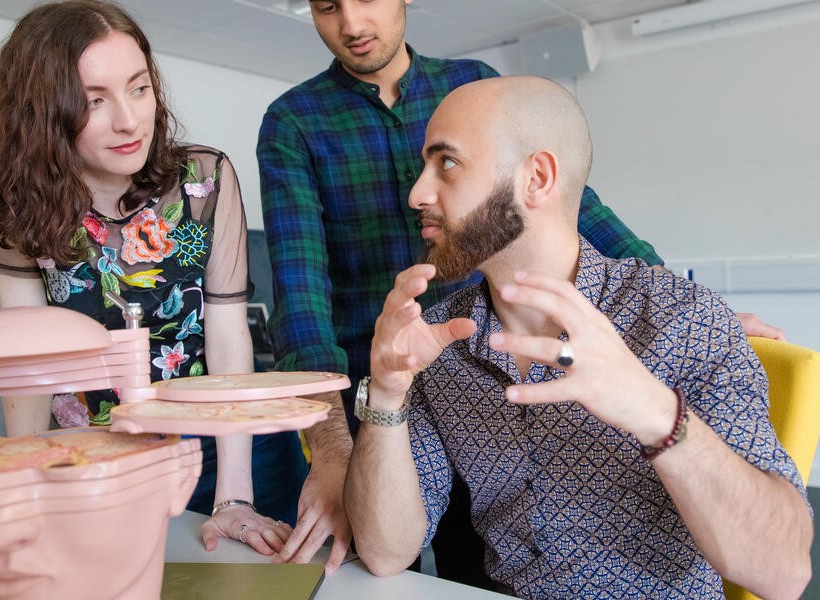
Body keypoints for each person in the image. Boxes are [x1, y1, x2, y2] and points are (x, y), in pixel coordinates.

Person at [259, 0, 784, 586]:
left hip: (516, 344)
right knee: (425, 571)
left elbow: (575, 207)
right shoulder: (295, 122)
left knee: (487, 548)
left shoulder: (474, 89)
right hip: (399, 381)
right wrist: (334, 446)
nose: (352, 24)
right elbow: (300, 294)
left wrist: (667, 305)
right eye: (328, 6)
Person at [0, 0, 345, 573]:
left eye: (139, 88)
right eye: (93, 100)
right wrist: (13, 492)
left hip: (228, 449)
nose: (130, 120)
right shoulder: (11, 200)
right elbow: (29, 359)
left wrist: (235, 497)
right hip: (95, 455)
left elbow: (228, 338)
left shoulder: (202, 181)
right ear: (44, 112)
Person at [343, 76, 814, 599]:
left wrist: (654, 411)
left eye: (447, 163)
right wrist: (385, 393)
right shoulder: (441, 343)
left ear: (537, 178)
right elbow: (387, 553)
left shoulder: (684, 319)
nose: (416, 193)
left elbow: (784, 573)